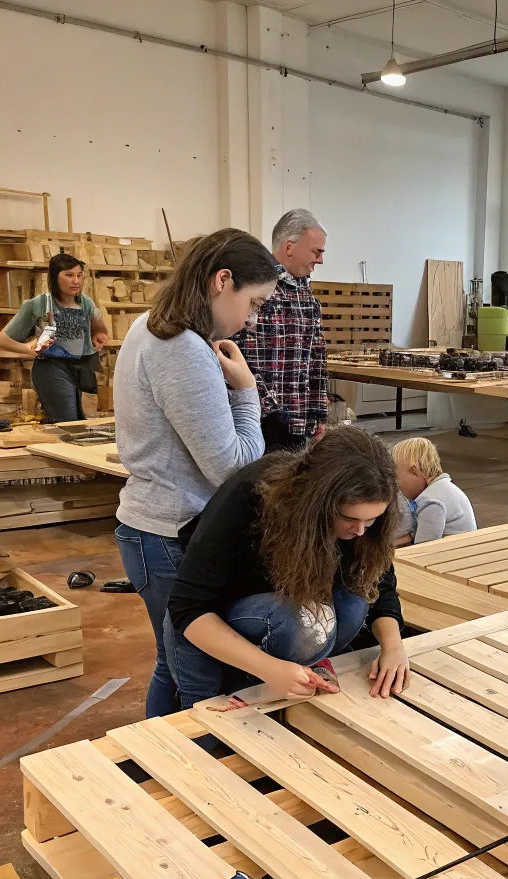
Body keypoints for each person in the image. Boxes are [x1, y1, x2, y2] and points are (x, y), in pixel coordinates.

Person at [114, 229, 276, 719]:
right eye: (254, 302)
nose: (252, 318)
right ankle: (183, 774)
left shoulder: (151, 325)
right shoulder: (180, 348)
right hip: (169, 532)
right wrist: (246, 391)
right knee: (194, 671)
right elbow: (234, 467)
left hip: (154, 527)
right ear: (221, 281)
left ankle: (162, 769)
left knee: (175, 662)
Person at [164, 426, 410, 708]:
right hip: (211, 623)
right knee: (205, 730)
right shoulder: (252, 495)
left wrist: (393, 647)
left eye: (373, 520)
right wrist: (268, 670)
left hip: (273, 624)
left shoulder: (363, 524)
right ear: (317, 501)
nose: (360, 531)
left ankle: (292, 666)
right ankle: (248, 675)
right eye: (350, 519)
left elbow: (378, 581)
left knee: (354, 602)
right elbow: (188, 607)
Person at [234, 209, 329, 452]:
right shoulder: (257, 287)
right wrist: (269, 411)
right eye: (316, 252)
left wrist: (317, 412)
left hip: (299, 423)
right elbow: (236, 354)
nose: (320, 260)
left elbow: (316, 357)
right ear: (289, 247)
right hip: (261, 423)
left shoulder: (306, 294)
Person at [0, 254, 109, 422]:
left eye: (79, 275)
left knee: (80, 420)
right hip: (52, 368)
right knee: (67, 420)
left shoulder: (86, 303)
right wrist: (29, 349)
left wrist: (98, 335)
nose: (76, 281)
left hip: (80, 368)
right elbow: (2, 340)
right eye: (69, 275)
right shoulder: (39, 303)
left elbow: (99, 328)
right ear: (55, 277)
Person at [391, 437, 476, 545]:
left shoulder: (431, 502)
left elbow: (423, 549)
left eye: (396, 478)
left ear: (415, 472)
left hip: (454, 557)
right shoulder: (445, 488)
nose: (396, 485)